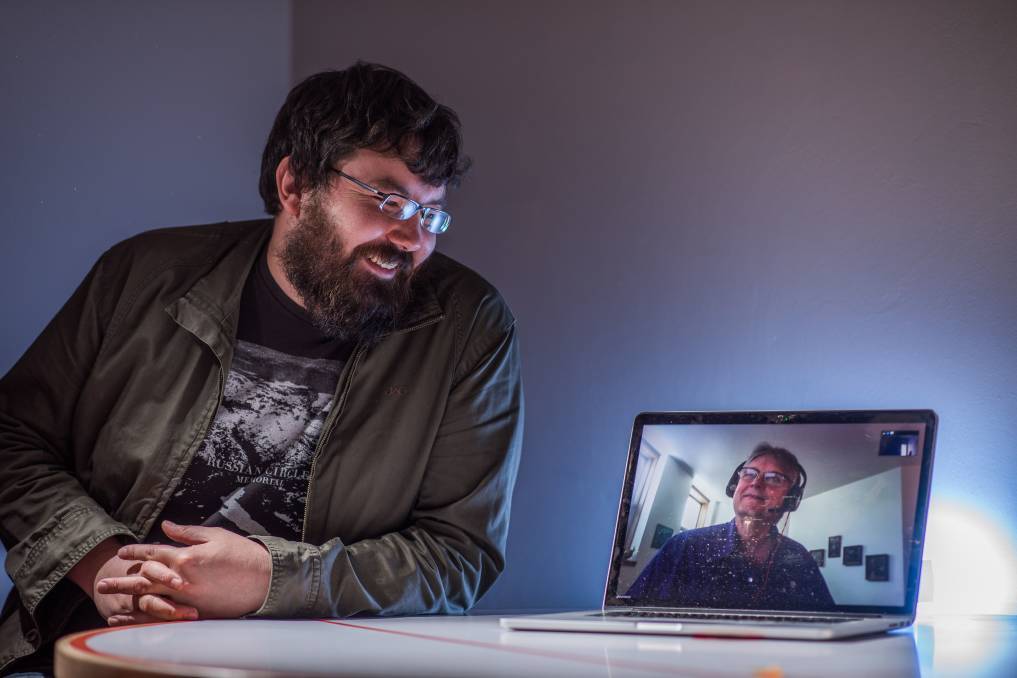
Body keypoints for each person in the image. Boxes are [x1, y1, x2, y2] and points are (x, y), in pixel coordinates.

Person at [0, 61, 523, 674]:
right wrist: (104, 564)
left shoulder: (471, 327)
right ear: (294, 185)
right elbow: (12, 439)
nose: (412, 238)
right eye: (387, 200)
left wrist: (271, 580)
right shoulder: (140, 275)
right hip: (87, 652)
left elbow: (456, 556)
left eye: (431, 213)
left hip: (313, 667)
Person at [626, 444, 834, 610]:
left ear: (791, 499)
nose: (756, 482)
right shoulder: (683, 545)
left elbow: (826, 626)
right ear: (735, 486)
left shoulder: (800, 559)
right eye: (749, 473)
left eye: (774, 478)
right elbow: (630, 614)